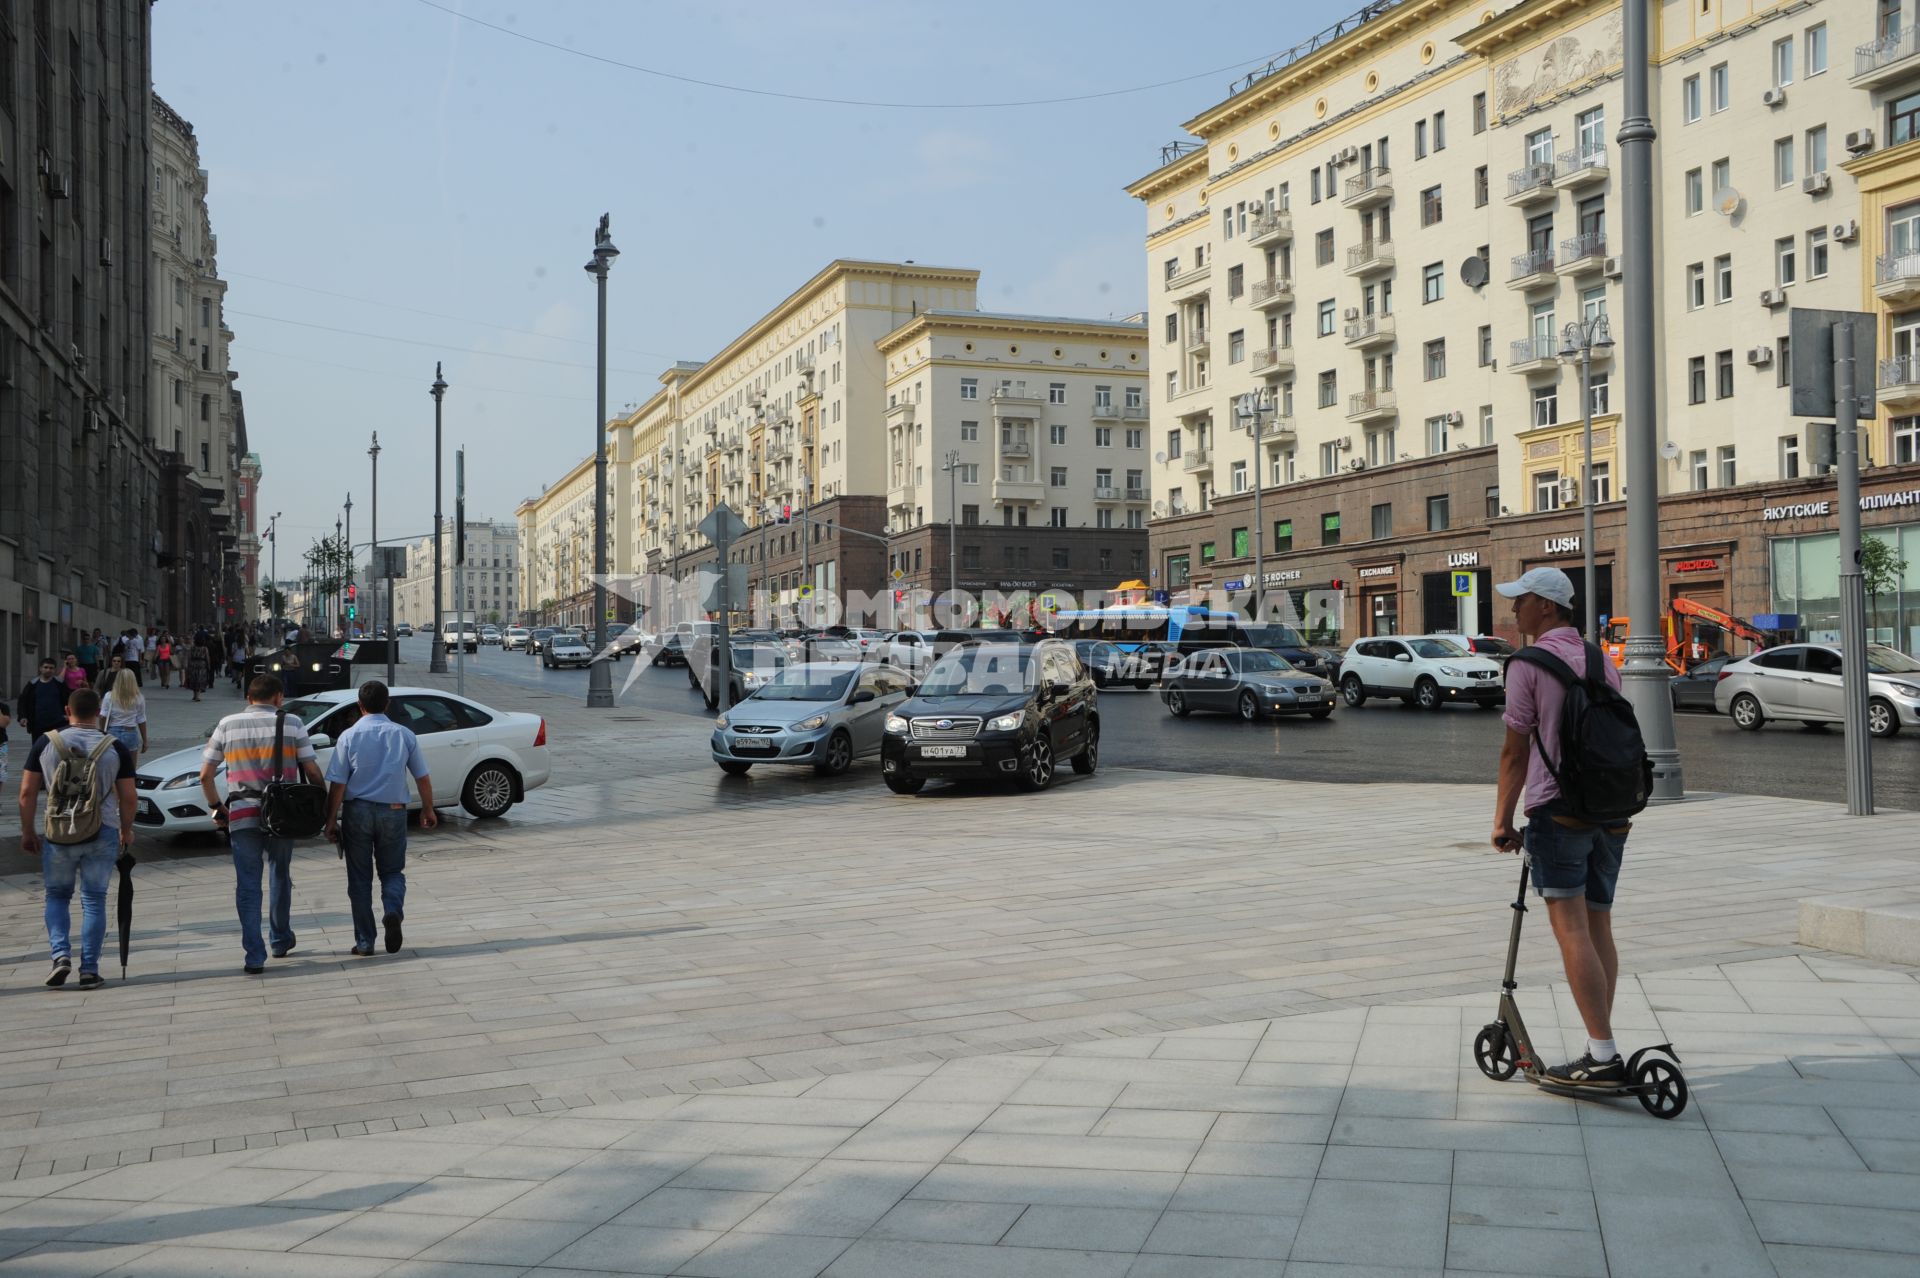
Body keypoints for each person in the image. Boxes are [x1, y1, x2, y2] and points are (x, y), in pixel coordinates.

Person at [1491, 566, 1630, 1087]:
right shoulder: (1599, 658)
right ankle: (1601, 1042)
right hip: (1613, 812)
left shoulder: (1527, 664)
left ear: (1545, 607)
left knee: (1571, 928)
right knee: (1599, 926)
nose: (1513, 611)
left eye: (1520, 601)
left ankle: (1601, 1054)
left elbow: (1515, 750)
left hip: (1559, 810)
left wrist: (1503, 820)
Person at [200, 674, 325, 974]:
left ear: (248, 699)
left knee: (248, 884)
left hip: (241, 813)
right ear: (279, 697)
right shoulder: (292, 723)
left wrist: (217, 808)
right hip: (283, 815)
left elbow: (205, 775)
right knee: (280, 873)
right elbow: (311, 769)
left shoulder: (226, 724)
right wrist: (324, 804)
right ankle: (280, 939)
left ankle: (254, 955)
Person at [17, 688, 137, 989]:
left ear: (67, 712)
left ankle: (60, 955)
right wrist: (126, 829)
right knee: (94, 900)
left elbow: (27, 792)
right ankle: (89, 969)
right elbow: (129, 797)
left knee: (57, 895)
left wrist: (28, 830)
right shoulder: (115, 747)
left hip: (59, 832)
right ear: (99, 713)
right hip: (102, 829)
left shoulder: (47, 742)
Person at [323, 681, 435, 957]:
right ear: (387, 704)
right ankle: (393, 910)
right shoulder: (404, 734)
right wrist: (428, 809)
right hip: (394, 811)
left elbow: (338, 784)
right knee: (392, 872)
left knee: (359, 880)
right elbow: (422, 777)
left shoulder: (348, 737)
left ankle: (365, 941)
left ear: (359, 706)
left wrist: (330, 820)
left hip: (357, 812)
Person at [17, 658, 70, 740]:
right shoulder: (32, 684)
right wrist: (22, 716)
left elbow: (69, 700)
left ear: (54, 670)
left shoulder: (60, 684)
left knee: (56, 748)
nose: (48, 670)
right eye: (46, 667)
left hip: (58, 723)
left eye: (51, 668)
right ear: (40, 668)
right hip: (37, 724)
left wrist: (69, 715)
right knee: (39, 749)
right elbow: (23, 701)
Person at [102, 669, 148, 764]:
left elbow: (103, 716)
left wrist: (102, 733)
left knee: (113, 765)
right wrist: (145, 741)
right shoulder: (139, 697)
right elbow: (141, 719)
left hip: (112, 732)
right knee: (130, 766)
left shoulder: (109, 696)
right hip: (130, 732)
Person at [185, 633, 212, 702]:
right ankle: (197, 696)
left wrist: (188, 665)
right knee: (199, 680)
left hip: (193, 664)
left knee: (194, 679)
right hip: (202, 665)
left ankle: (194, 695)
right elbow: (207, 658)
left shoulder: (192, 648)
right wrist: (209, 666)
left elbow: (189, 657)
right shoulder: (204, 648)